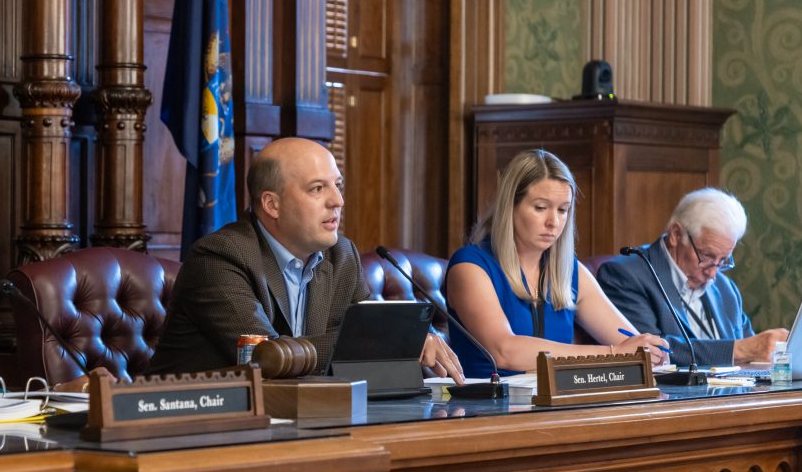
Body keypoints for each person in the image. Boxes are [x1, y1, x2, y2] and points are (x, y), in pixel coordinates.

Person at [148, 137, 464, 382]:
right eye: (317, 189)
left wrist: (416, 337)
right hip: (187, 433)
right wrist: (392, 340)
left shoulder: (340, 255)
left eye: (337, 186)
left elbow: (372, 335)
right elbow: (268, 359)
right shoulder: (219, 258)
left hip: (298, 423)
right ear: (272, 204)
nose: (337, 201)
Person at [444, 149, 667, 378]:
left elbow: (630, 343)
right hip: (490, 408)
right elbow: (504, 351)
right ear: (510, 206)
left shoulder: (570, 271)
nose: (554, 222)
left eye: (563, 210)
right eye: (541, 208)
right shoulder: (470, 267)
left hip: (556, 408)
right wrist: (613, 353)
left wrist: (650, 351)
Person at [596, 188, 787, 367]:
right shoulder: (625, 276)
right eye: (707, 256)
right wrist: (738, 350)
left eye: (724, 260)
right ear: (676, 235)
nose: (713, 273)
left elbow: (751, 355)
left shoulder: (726, 289)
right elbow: (648, 351)